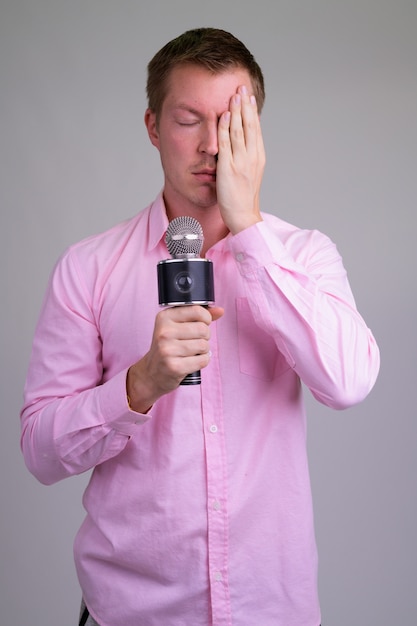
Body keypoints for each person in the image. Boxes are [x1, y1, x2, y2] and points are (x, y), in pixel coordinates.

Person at [20, 27, 380, 626]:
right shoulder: (88, 270)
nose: (213, 145)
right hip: (133, 613)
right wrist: (138, 387)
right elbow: (39, 450)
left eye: (233, 121)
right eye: (189, 120)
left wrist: (248, 226)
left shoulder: (305, 256)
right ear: (153, 127)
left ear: (257, 131)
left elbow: (348, 382)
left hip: (271, 611)